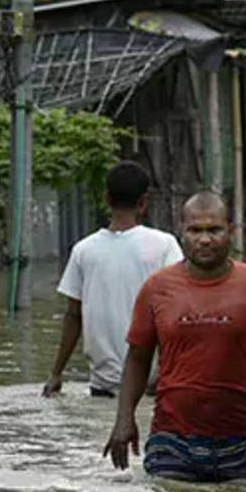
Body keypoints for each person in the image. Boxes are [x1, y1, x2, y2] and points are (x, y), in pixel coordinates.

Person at [104, 191, 246, 482]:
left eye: (214, 230)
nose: (204, 240)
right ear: (181, 233)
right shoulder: (156, 288)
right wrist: (123, 419)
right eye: (195, 230)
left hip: (243, 441)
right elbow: (138, 359)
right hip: (172, 440)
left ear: (231, 231)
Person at [43, 161, 184, 398]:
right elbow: (179, 312)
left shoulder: (83, 250)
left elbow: (73, 316)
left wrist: (56, 373)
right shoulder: (164, 245)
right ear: (143, 202)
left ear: (107, 199)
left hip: (102, 387)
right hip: (151, 387)